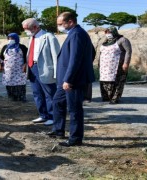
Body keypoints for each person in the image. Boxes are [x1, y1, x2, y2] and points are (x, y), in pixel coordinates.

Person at [47, 12, 95, 147]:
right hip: (66, 79)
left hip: (73, 80)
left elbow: (75, 59)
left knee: (74, 109)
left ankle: (75, 138)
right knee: (57, 102)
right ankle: (58, 130)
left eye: (61, 24)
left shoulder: (77, 34)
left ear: (70, 22)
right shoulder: (74, 33)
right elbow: (91, 51)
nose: (59, 27)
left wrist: (69, 79)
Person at [22, 18, 60, 126]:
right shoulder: (32, 38)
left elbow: (56, 56)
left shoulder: (49, 37)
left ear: (35, 27)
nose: (25, 31)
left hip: (45, 69)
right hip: (32, 68)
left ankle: (53, 117)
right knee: (37, 93)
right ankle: (43, 115)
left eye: (27, 29)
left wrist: (56, 73)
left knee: (49, 94)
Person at [98, 26, 132, 104]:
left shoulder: (123, 40)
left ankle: (114, 98)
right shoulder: (105, 42)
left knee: (117, 82)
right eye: (106, 33)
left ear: (114, 32)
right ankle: (106, 97)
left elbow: (128, 51)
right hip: (104, 68)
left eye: (109, 32)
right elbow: (101, 53)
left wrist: (126, 63)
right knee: (105, 81)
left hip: (117, 66)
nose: (108, 34)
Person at [0, 33, 28, 102]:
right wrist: (1, 65)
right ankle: (12, 96)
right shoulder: (5, 47)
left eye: (12, 38)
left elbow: (27, 57)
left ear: (17, 39)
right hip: (8, 70)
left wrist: (25, 65)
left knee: (20, 83)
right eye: (9, 38)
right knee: (9, 82)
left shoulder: (22, 47)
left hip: (20, 69)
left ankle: (21, 96)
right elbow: (1, 58)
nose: (10, 40)